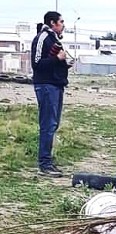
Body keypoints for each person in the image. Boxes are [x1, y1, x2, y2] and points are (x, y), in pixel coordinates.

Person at [31, 11, 73, 177]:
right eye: (61, 22)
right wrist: (58, 59)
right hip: (46, 86)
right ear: (52, 23)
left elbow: (52, 62)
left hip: (55, 85)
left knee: (53, 124)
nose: (63, 25)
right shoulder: (43, 37)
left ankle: (47, 161)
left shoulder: (54, 39)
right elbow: (37, 63)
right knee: (48, 125)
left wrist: (63, 64)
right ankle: (44, 164)